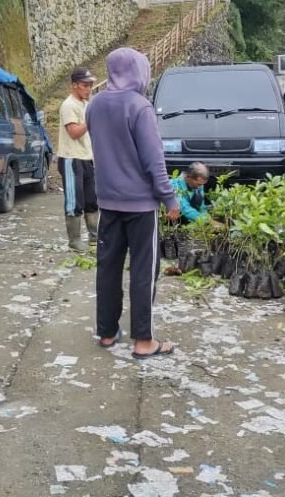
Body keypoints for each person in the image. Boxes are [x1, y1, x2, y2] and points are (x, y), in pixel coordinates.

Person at [86, 48, 180, 360]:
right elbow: (154, 161)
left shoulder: (95, 105)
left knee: (108, 268)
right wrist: (169, 197)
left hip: (108, 204)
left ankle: (107, 333)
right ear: (140, 72)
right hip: (141, 207)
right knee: (143, 270)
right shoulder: (140, 107)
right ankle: (143, 341)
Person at [57, 67, 98, 252]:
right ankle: (74, 240)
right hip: (70, 158)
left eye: (90, 85)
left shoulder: (85, 104)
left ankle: (94, 237)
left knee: (92, 199)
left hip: (87, 157)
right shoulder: (69, 105)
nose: (88, 89)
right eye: (84, 85)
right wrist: (90, 120)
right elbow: (73, 132)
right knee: (75, 201)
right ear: (74, 85)